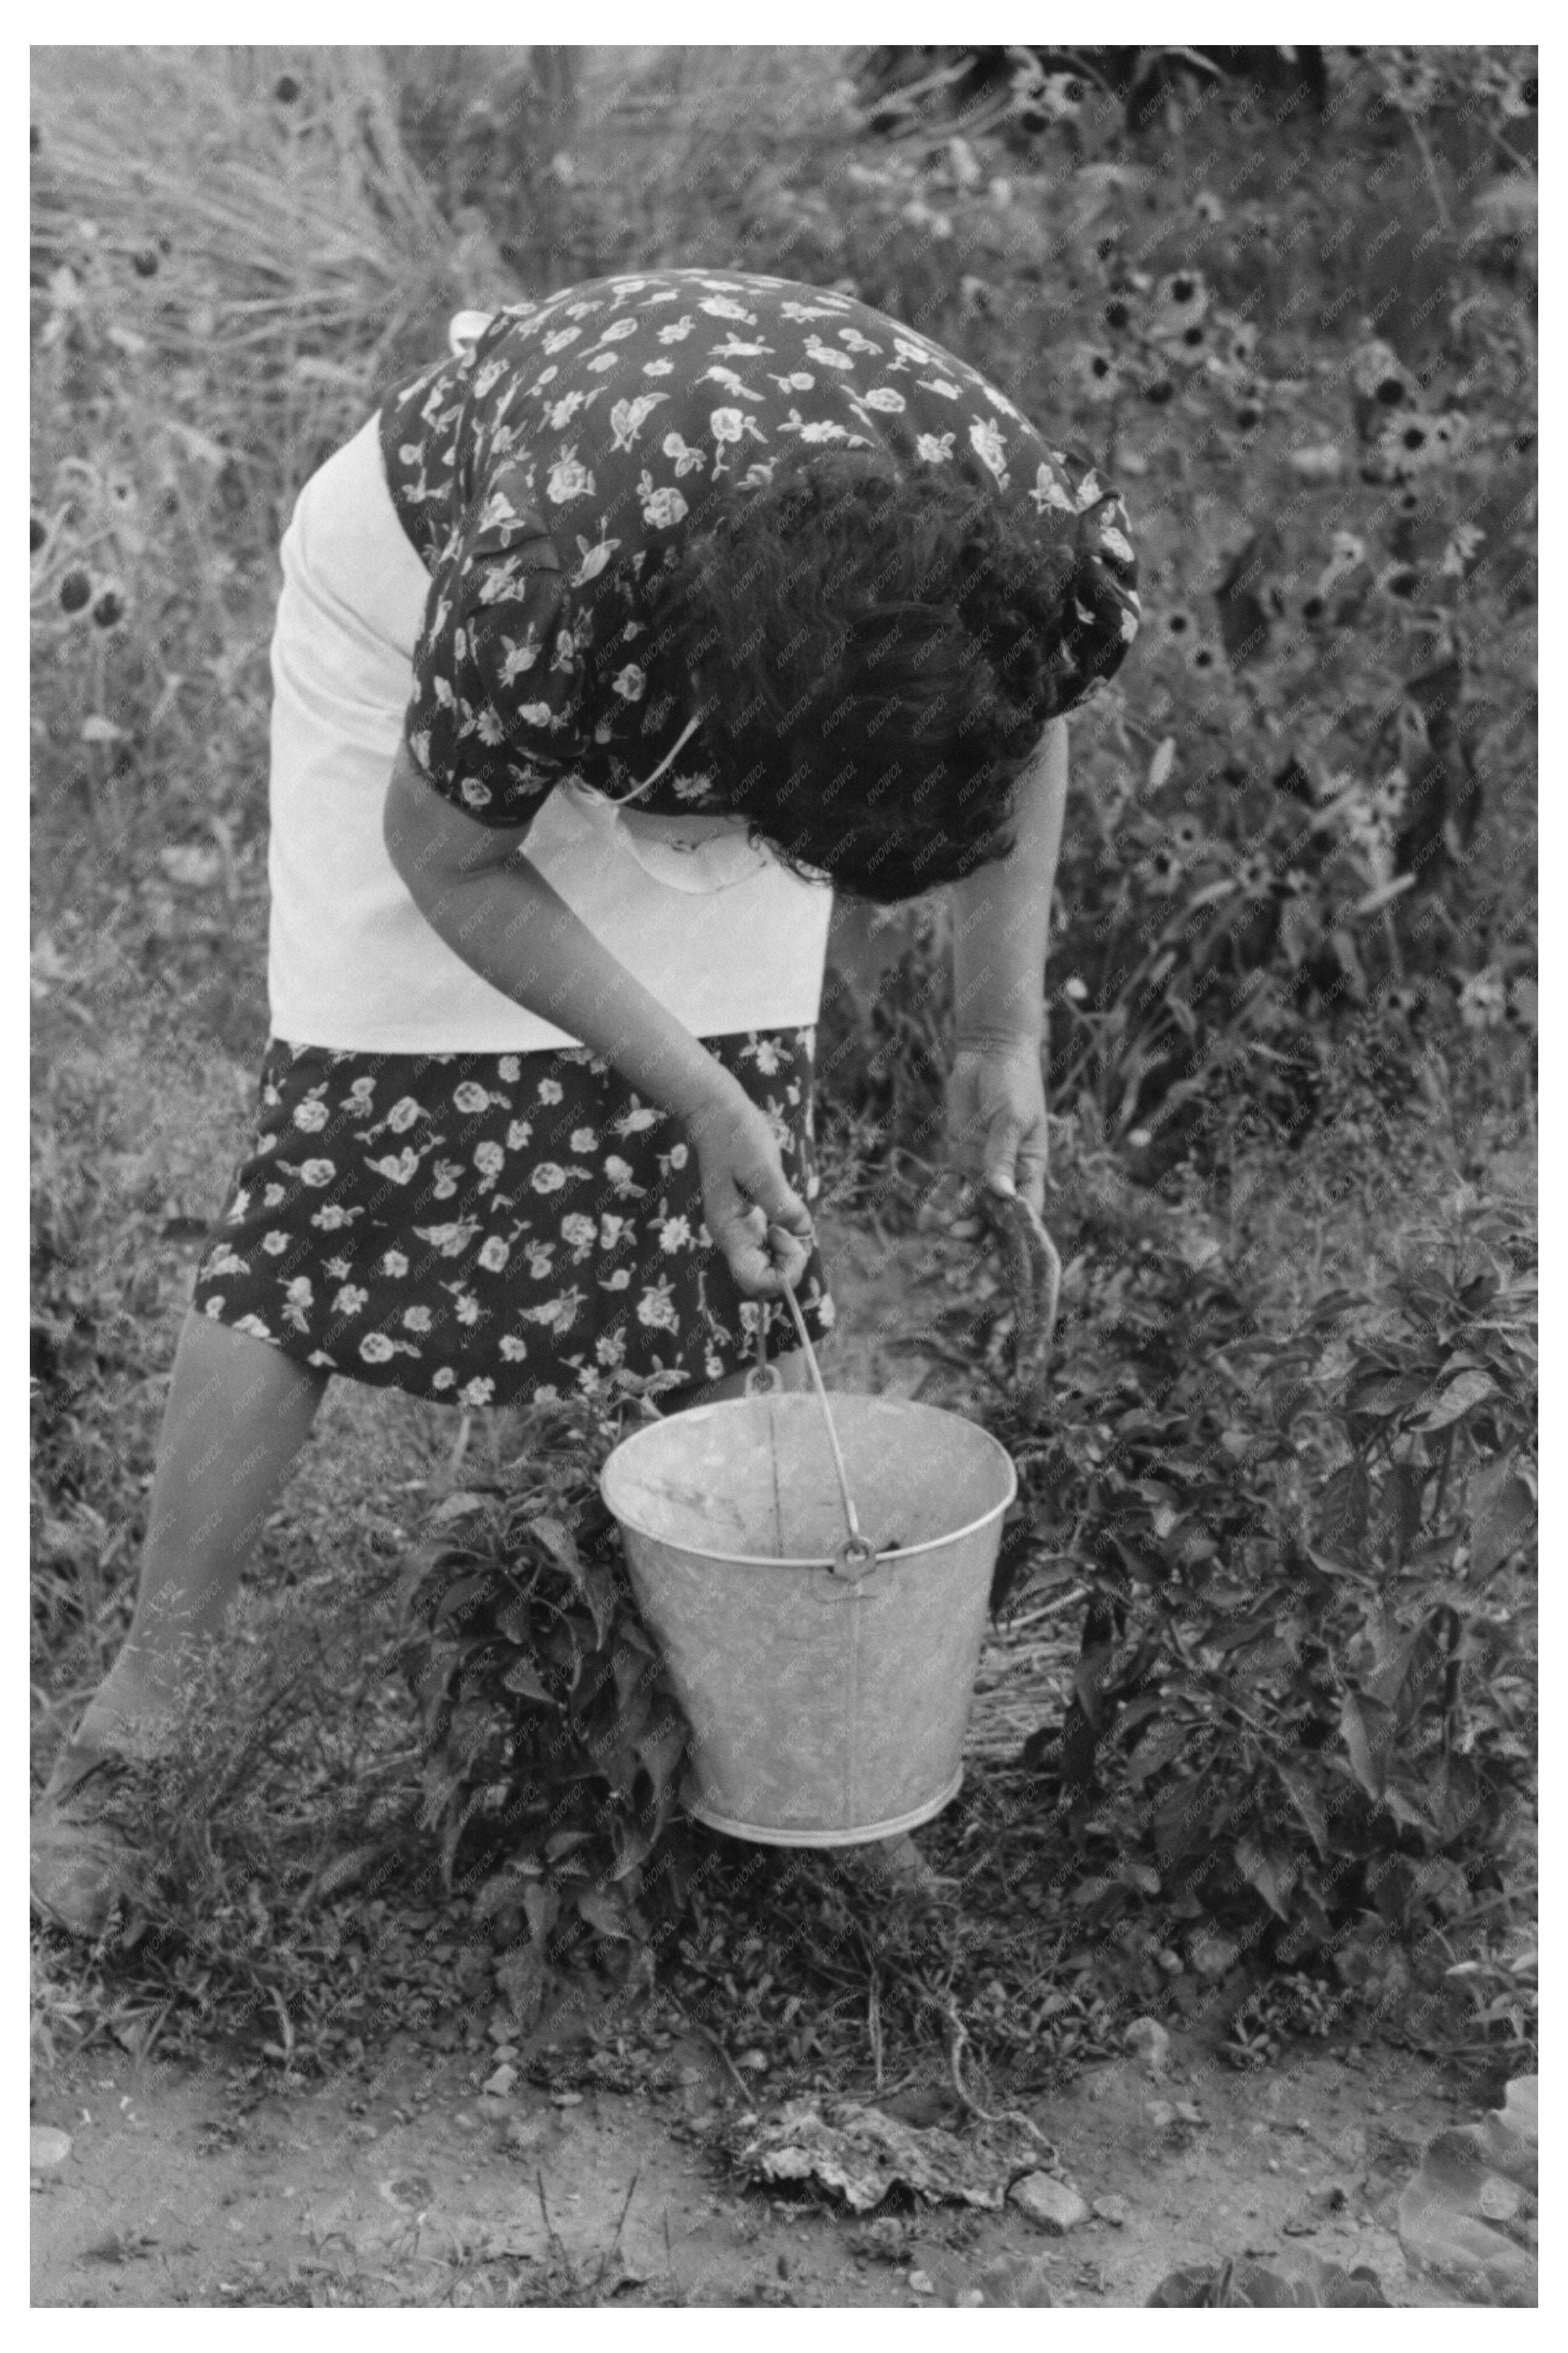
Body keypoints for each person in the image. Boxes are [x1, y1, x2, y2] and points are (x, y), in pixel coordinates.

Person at [32, 266, 1139, 1934]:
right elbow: (448, 854)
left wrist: (1001, 1032)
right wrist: (689, 1085)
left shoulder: (1027, 547)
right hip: (422, 623)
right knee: (342, 1163)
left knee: (736, 1223)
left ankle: (758, 1719)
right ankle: (139, 1718)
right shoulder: (554, 561)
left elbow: (1026, 725)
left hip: (772, 653)